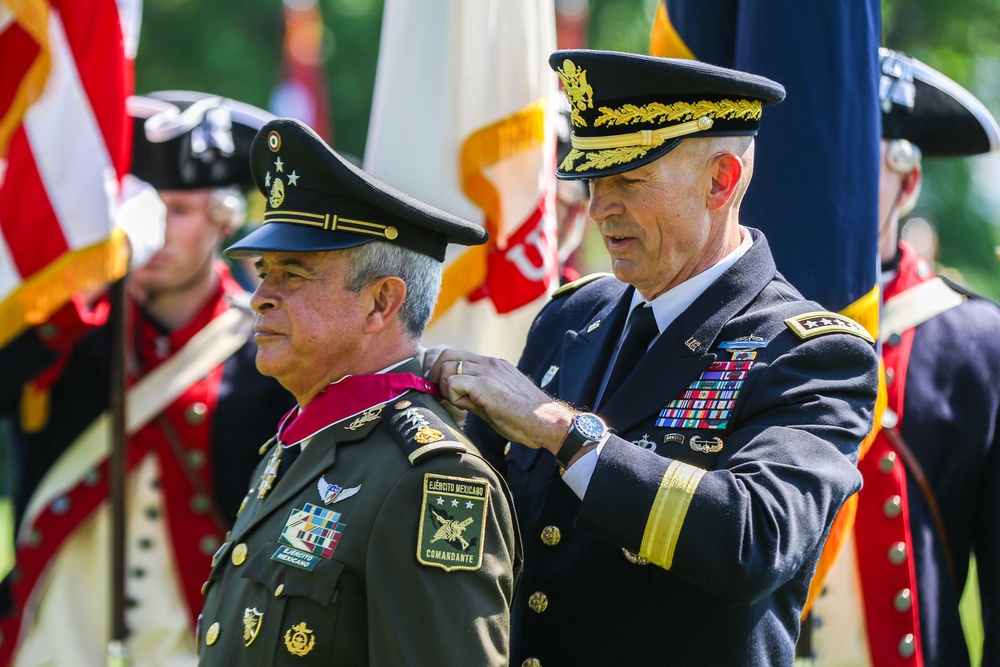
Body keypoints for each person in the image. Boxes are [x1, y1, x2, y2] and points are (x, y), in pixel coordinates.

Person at [425, 49, 881, 666]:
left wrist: (563, 431)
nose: (598, 209)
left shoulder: (811, 353)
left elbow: (753, 539)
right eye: (592, 181)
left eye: (629, 181)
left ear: (720, 181)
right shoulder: (571, 316)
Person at [196, 117, 520, 666]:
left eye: (293, 274)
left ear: (380, 304)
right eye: (265, 271)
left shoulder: (429, 477)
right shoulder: (304, 440)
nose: (260, 297)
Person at [0, 92, 296, 666]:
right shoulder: (67, 327)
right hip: (54, 637)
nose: (156, 231)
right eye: (143, 209)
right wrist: (76, 291)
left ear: (223, 221)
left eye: (179, 210)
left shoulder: (267, 347)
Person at [807, 49, 1000, 667]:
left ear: (908, 180)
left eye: (856, 155)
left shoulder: (976, 343)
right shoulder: (733, 320)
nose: (832, 172)